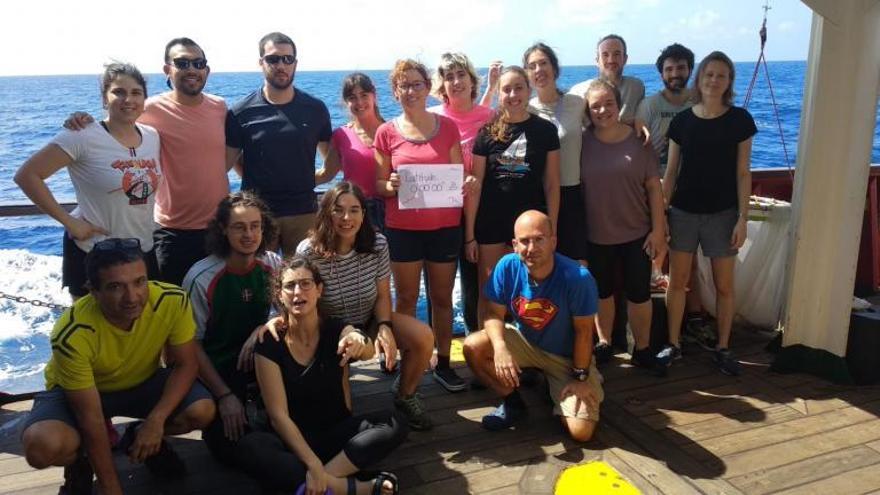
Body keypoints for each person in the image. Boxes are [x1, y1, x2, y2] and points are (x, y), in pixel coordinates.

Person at [19, 239, 215, 495]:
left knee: (202, 410)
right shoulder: (72, 332)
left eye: (139, 282)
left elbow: (186, 364)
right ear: (93, 290)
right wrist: (112, 488)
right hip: (83, 393)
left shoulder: (172, 300)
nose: (132, 297)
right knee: (42, 447)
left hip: (143, 381)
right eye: (115, 287)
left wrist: (155, 422)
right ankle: (81, 460)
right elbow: (90, 418)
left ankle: (139, 437)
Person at [62, 38, 230, 287]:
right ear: (167, 69)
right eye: (182, 62)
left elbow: (229, 154)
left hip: (218, 226)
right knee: (172, 304)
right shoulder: (149, 109)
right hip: (172, 230)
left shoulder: (220, 107)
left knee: (216, 301)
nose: (191, 69)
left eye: (198, 62)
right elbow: (116, 121)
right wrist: (80, 119)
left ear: (206, 69)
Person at [236, 256, 406, 494]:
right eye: (290, 286)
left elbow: (365, 349)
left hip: (334, 437)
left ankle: (316, 483)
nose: (298, 292)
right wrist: (312, 463)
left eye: (306, 284)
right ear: (280, 295)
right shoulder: (269, 342)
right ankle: (355, 488)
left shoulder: (336, 330)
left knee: (394, 422)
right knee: (252, 446)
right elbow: (278, 416)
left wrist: (358, 338)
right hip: (291, 443)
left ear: (319, 290)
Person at [293, 181, 435, 430]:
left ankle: (405, 394)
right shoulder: (308, 252)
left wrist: (384, 326)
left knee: (422, 336)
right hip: (331, 329)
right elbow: (304, 304)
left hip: (369, 318)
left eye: (354, 210)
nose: (346, 218)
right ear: (326, 213)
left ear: (363, 214)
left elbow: (382, 295)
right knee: (341, 413)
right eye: (338, 210)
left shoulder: (377, 244)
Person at [15, 62, 162, 299]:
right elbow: (27, 176)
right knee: (95, 330)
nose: (128, 99)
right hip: (94, 253)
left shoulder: (152, 136)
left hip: (141, 250)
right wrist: (69, 222)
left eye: (136, 93)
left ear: (145, 99)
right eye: (118, 92)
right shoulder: (82, 135)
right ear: (104, 98)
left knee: (140, 329)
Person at [462, 211, 603, 441]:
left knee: (581, 432)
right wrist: (500, 348)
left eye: (539, 239)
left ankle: (554, 384)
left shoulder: (578, 278)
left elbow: (584, 333)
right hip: (527, 342)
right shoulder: (507, 266)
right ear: (515, 245)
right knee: (473, 346)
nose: (531, 248)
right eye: (525, 241)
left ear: (553, 242)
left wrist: (580, 378)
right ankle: (513, 402)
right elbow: (492, 314)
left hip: (567, 357)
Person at [375, 59, 471, 394]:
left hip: (445, 227)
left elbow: (458, 175)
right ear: (395, 91)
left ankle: (443, 363)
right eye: (404, 85)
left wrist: (466, 182)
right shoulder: (385, 132)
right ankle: (406, 361)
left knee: (442, 298)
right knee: (404, 298)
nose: (411, 90)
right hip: (402, 229)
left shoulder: (447, 128)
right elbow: (379, 185)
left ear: (428, 87)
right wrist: (392, 185)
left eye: (417, 83)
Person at [658, 51, 757, 376]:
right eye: (709, 74)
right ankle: (673, 344)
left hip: (723, 214)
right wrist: (661, 216)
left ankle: (724, 347)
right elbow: (670, 173)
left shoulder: (740, 120)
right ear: (699, 79)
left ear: (729, 82)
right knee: (678, 282)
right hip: (683, 212)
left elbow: (744, 173)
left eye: (721, 75)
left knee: (724, 286)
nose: (714, 80)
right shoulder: (682, 122)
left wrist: (743, 218)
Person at [181, 192, 281, 461]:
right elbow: (192, 345)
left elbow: (295, 315)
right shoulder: (200, 278)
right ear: (223, 229)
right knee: (229, 451)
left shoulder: (272, 263)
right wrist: (224, 395)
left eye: (255, 226)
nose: (249, 234)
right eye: (239, 227)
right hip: (219, 368)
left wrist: (269, 324)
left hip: (261, 360)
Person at [580, 79, 667, 372]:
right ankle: (604, 342)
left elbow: (655, 188)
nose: (602, 110)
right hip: (596, 233)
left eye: (609, 104)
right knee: (601, 292)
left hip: (637, 233)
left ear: (619, 105)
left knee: (639, 293)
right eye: (595, 106)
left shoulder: (639, 140)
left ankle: (642, 349)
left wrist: (658, 231)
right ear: (587, 111)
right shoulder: (581, 141)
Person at [466, 65, 560, 327]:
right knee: (490, 292)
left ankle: (527, 355)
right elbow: (476, 185)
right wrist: (470, 235)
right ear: (498, 93)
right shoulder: (486, 133)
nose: (513, 94)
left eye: (519, 87)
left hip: (530, 225)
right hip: (491, 224)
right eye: (506, 89)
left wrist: (552, 227)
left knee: (529, 293)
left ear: (529, 91)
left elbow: (552, 183)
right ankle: (488, 353)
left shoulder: (545, 131)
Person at [226, 31, 332, 256]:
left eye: (288, 59)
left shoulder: (316, 109)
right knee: (262, 284)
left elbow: (331, 163)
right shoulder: (240, 112)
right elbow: (229, 160)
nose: (281, 65)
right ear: (261, 63)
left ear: (295, 63)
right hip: (258, 216)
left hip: (304, 212)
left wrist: (305, 181)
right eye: (273, 59)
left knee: (305, 282)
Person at [428, 52, 500, 334]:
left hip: (480, 212)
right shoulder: (431, 117)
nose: (456, 81)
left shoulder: (490, 116)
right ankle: (436, 349)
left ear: (472, 80)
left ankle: (478, 343)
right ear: (441, 85)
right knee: (438, 287)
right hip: (441, 214)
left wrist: (493, 90)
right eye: (449, 77)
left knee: (476, 284)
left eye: (461, 75)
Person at [523, 42, 588, 264]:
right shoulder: (525, 109)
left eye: (543, 63)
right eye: (532, 66)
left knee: (578, 265)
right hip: (537, 196)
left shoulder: (577, 103)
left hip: (572, 194)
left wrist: (636, 123)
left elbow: (604, 126)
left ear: (554, 68)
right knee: (542, 265)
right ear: (527, 75)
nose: (539, 70)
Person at [315, 72, 386, 232]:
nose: (359, 102)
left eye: (364, 95)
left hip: (390, 212)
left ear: (374, 96)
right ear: (346, 102)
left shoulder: (393, 131)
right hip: (355, 214)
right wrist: (290, 183)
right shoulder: (341, 135)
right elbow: (327, 173)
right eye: (352, 97)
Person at [635, 43, 696, 174]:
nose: (675, 74)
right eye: (668, 69)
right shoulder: (649, 105)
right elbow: (637, 149)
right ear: (661, 74)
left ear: (690, 70)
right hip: (658, 181)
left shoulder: (701, 103)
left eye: (681, 68)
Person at [570, 34, 645, 125]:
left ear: (625, 59)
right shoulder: (579, 91)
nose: (611, 60)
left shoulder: (635, 87)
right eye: (605, 55)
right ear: (597, 60)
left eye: (616, 54)